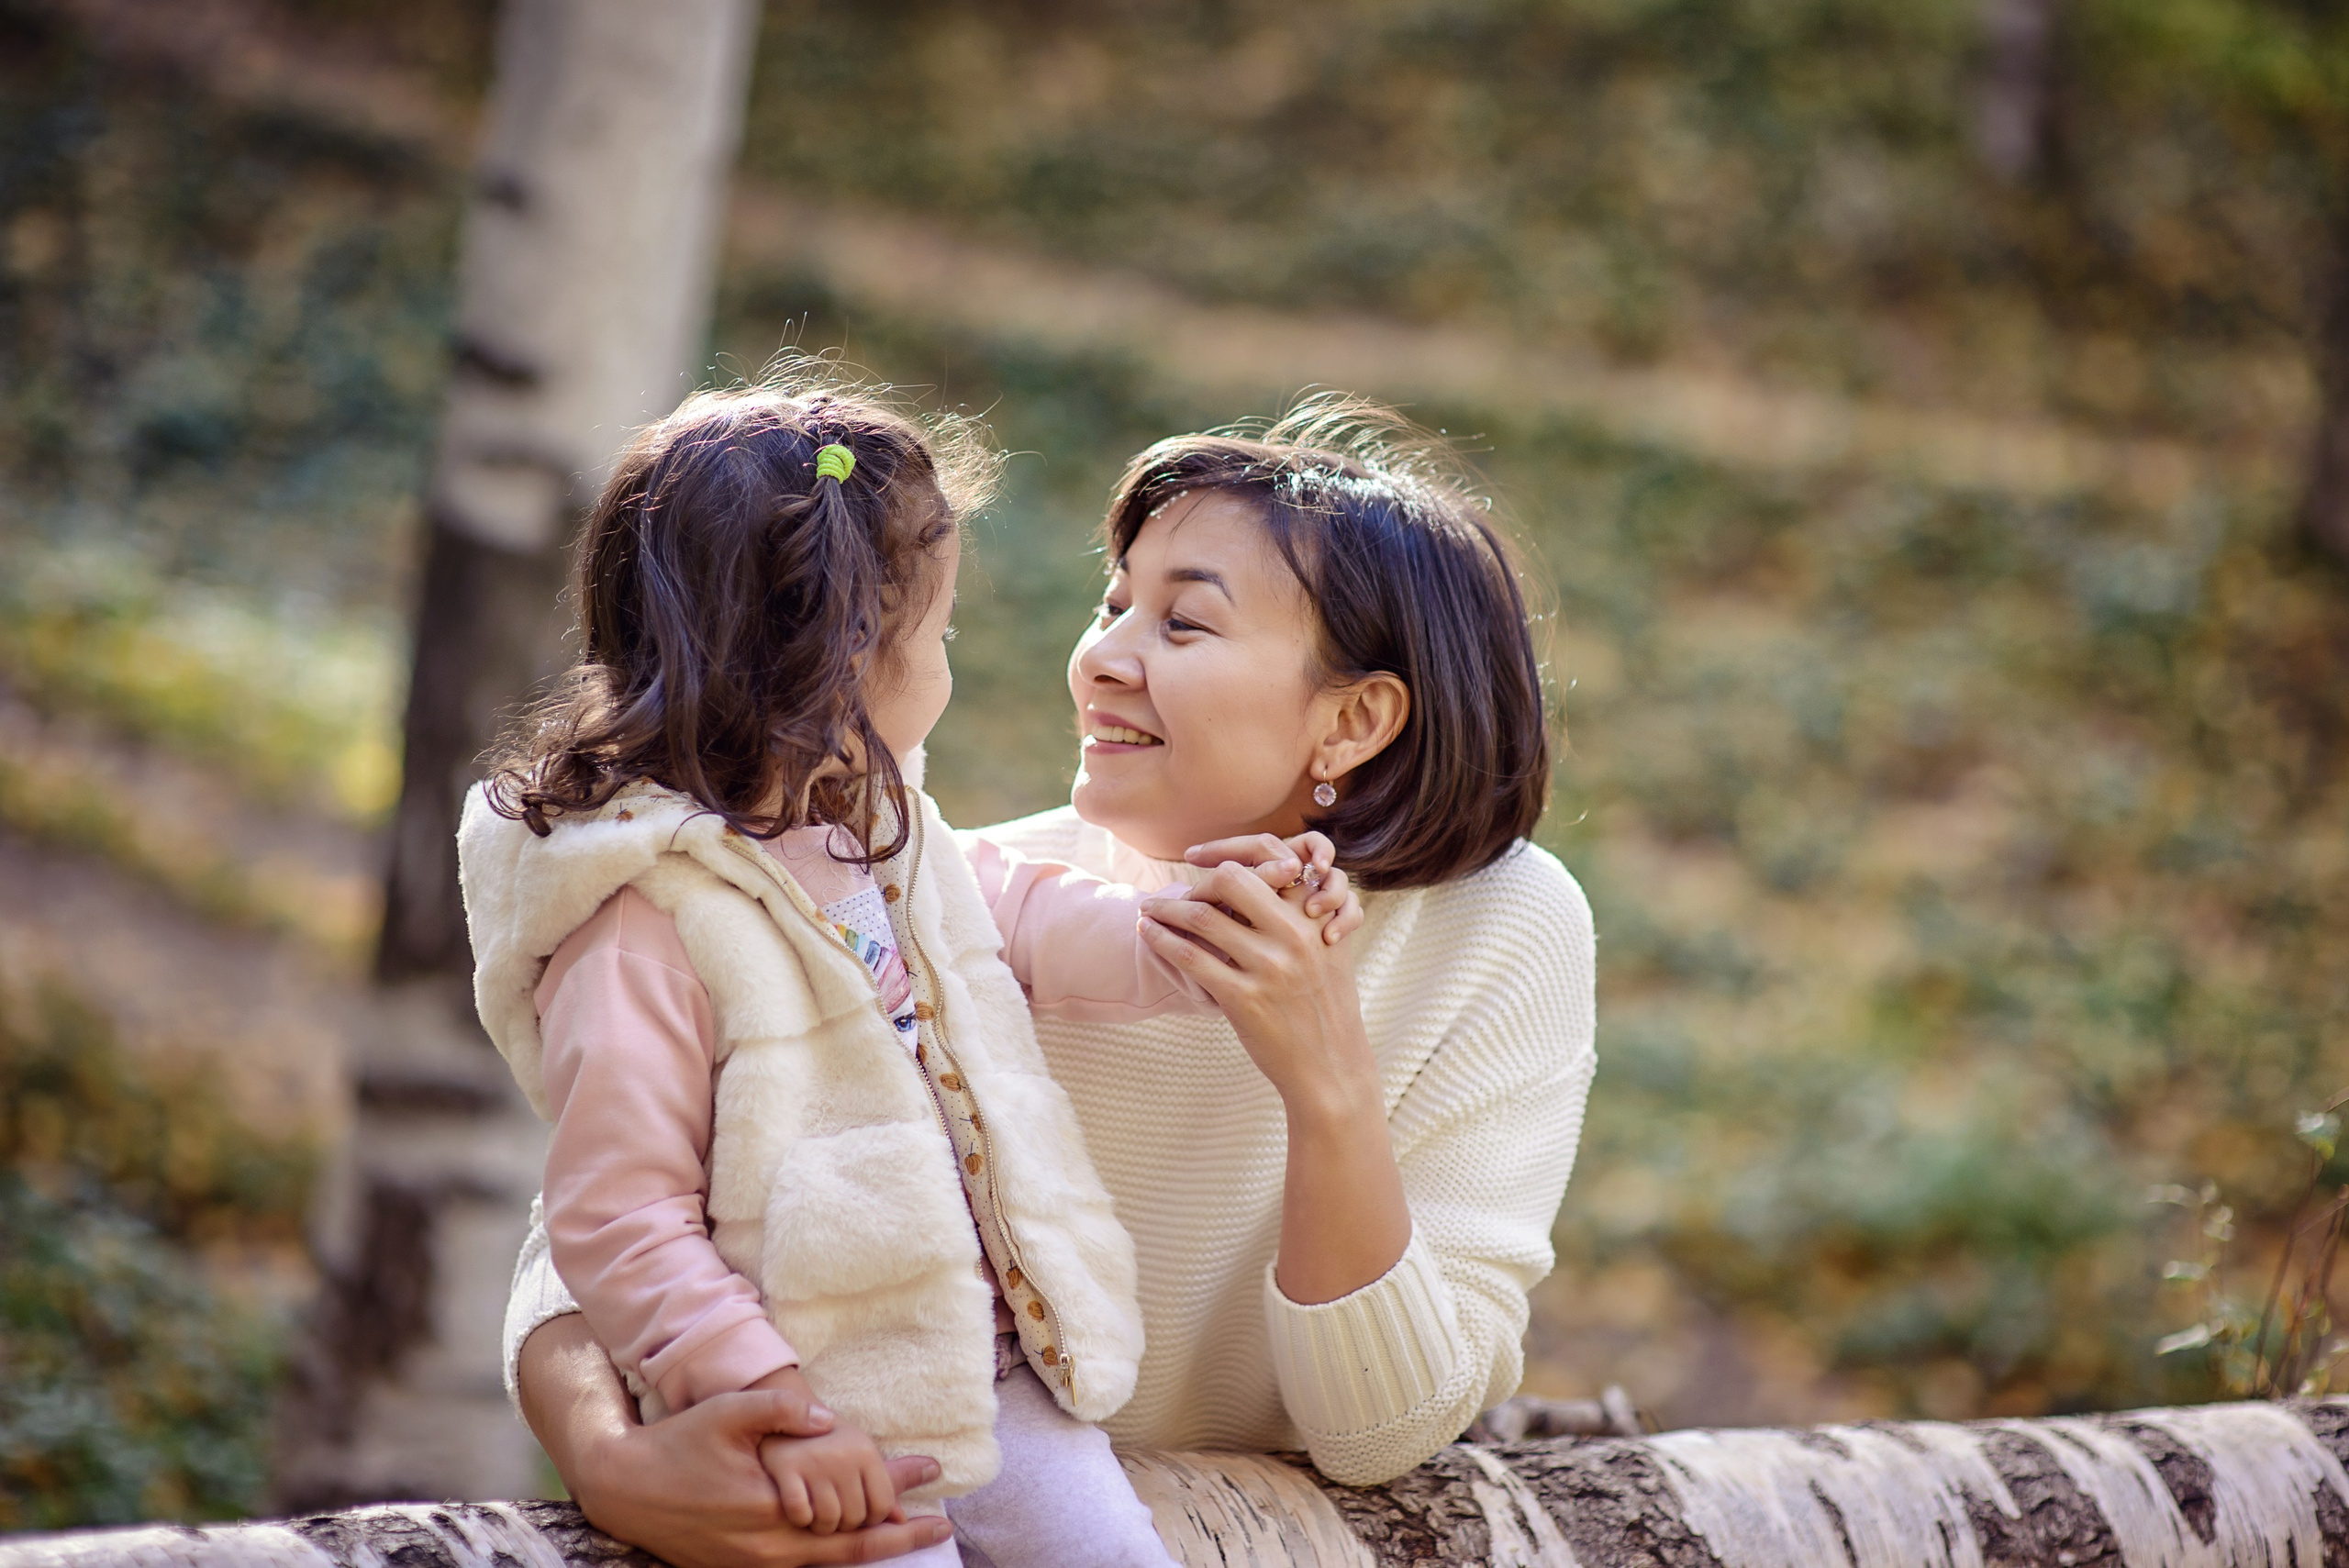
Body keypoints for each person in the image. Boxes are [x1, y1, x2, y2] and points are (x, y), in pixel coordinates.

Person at [503, 398, 1599, 1568]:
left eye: (1182, 622)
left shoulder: (1498, 926)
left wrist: (1325, 1082)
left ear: (1355, 719)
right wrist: (614, 1461)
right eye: (1113, 600)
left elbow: (1382, 1428)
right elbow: (601, 1215)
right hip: (879, 1475)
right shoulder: (940, 887)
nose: (1101, 659)